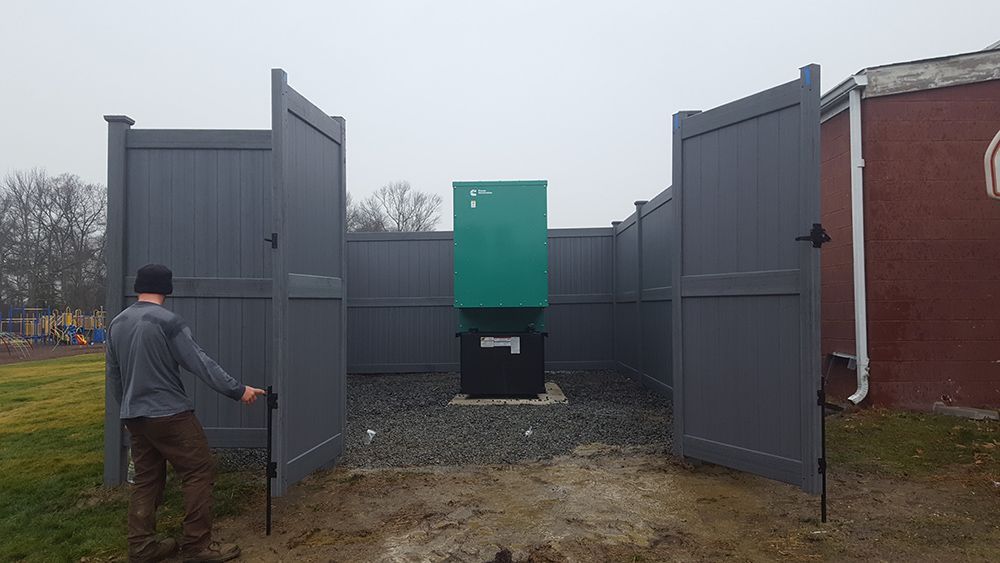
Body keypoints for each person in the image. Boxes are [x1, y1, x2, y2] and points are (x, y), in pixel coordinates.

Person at [106, 264, 266, 563]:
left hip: (135, 417)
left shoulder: (118, 323)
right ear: (166, 289)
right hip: (170, 415)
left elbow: (114, 375)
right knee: (198, 471)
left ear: (139, 287)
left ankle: (141, 547)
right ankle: (197, 546)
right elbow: (200, 363)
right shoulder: (167, 322)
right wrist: (238, 389)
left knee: (146, 479)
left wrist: (127, 410)